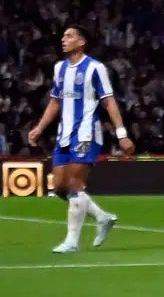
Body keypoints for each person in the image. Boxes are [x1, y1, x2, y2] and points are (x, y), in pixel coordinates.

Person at [28, 26, 135, 253]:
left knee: (75, 184)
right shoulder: (60, 68)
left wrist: (122, 134)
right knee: (59, 188)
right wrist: (39, 127)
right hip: (64, 134)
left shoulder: (95, 68)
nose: (63, 39)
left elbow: (109, 101)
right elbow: (55, 100)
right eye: (63, 36)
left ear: (81, 42)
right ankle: (102, 217)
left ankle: (72, 242)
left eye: (69, 36)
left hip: (86, 132)